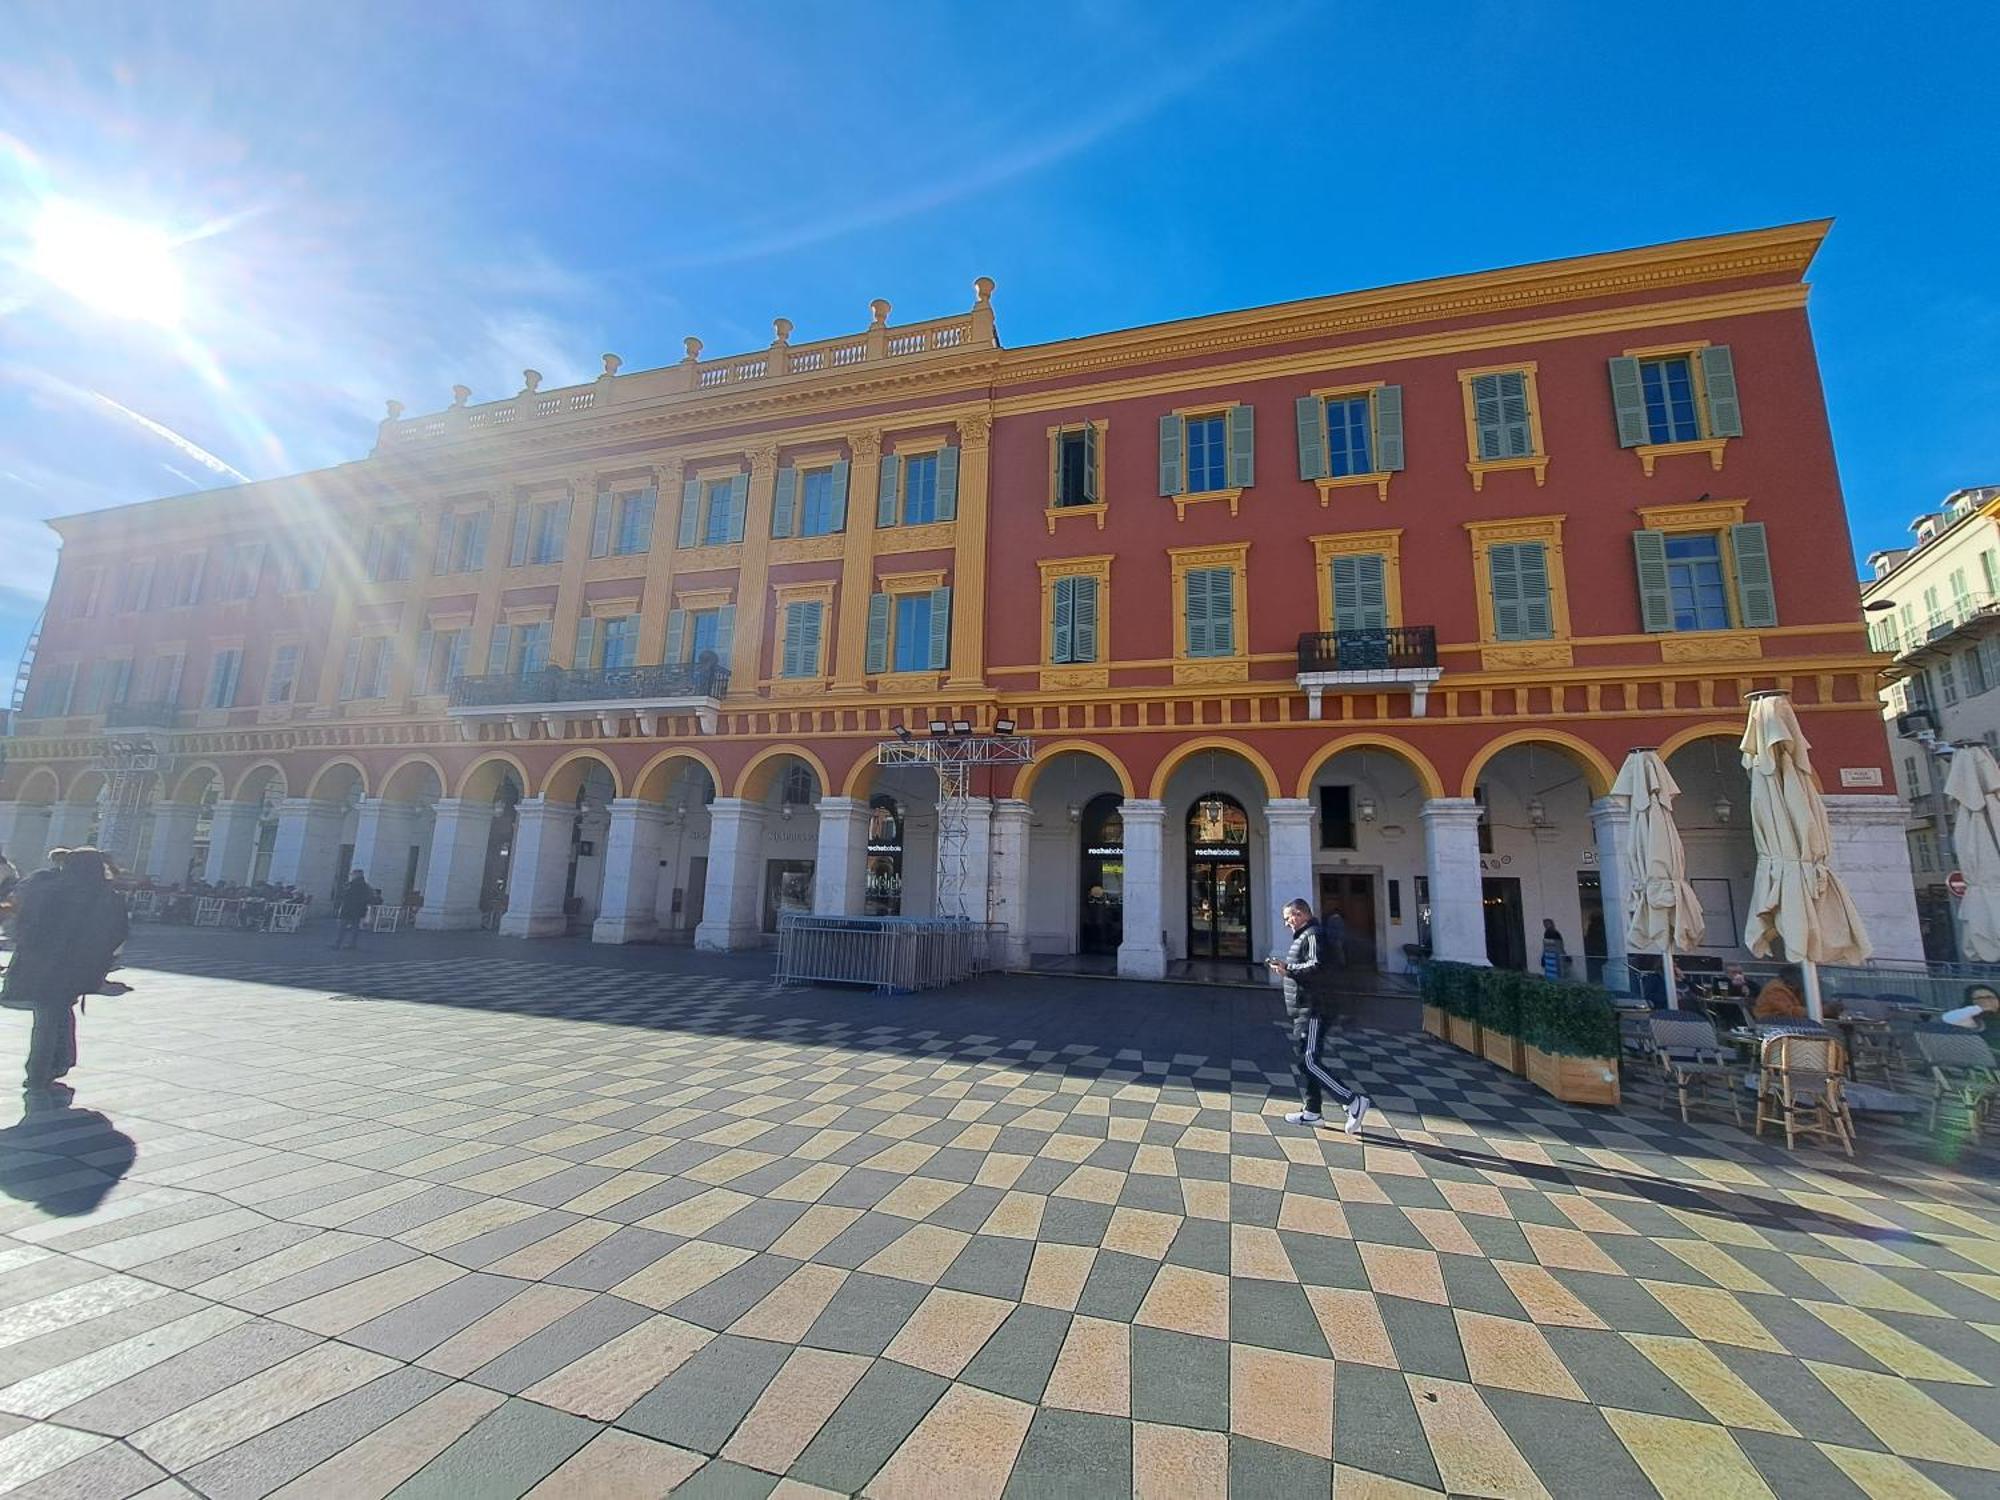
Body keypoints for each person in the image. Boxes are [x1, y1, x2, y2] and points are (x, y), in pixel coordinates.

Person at [2, 848, 129, 1094]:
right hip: (77, 967)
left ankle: (46, 1068)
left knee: (48, 1016)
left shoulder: (47, 888)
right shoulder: (105, 895)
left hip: (41, 963)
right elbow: (117, 933)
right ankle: (51, 1066)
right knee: (56, 1012)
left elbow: (25, 923)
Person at [1266, 898, 1370, 1133]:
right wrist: (1288, 970)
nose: (1286, 924)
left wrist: (1288, 969)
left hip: (1315, 1007)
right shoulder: (1306, 935)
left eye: (1288, 918)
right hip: (1307, 1006)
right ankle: (1312, 1112)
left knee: (1309, 1060)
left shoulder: (1312, 934)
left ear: (1300, 914)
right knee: (1307, 1061)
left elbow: (1318, 966)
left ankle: (1352, 1101)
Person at [1941, 983, 2000, 1060]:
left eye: (1990, 997)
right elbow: (1948, 1018)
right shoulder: (1974, 1021)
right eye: (1979, 999)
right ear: (1971, 1002)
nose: (1986, 1001)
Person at [332, 869, 375, 949]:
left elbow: (344, 896)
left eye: (353, 874)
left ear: (356, 875)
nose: (351, 876)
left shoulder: (350, 885)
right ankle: (352, 944)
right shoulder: (366, 886)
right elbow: (370, 898)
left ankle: (338, 943)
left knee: (342, 927)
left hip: (348, 909)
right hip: (359, 910)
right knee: (355, 928)